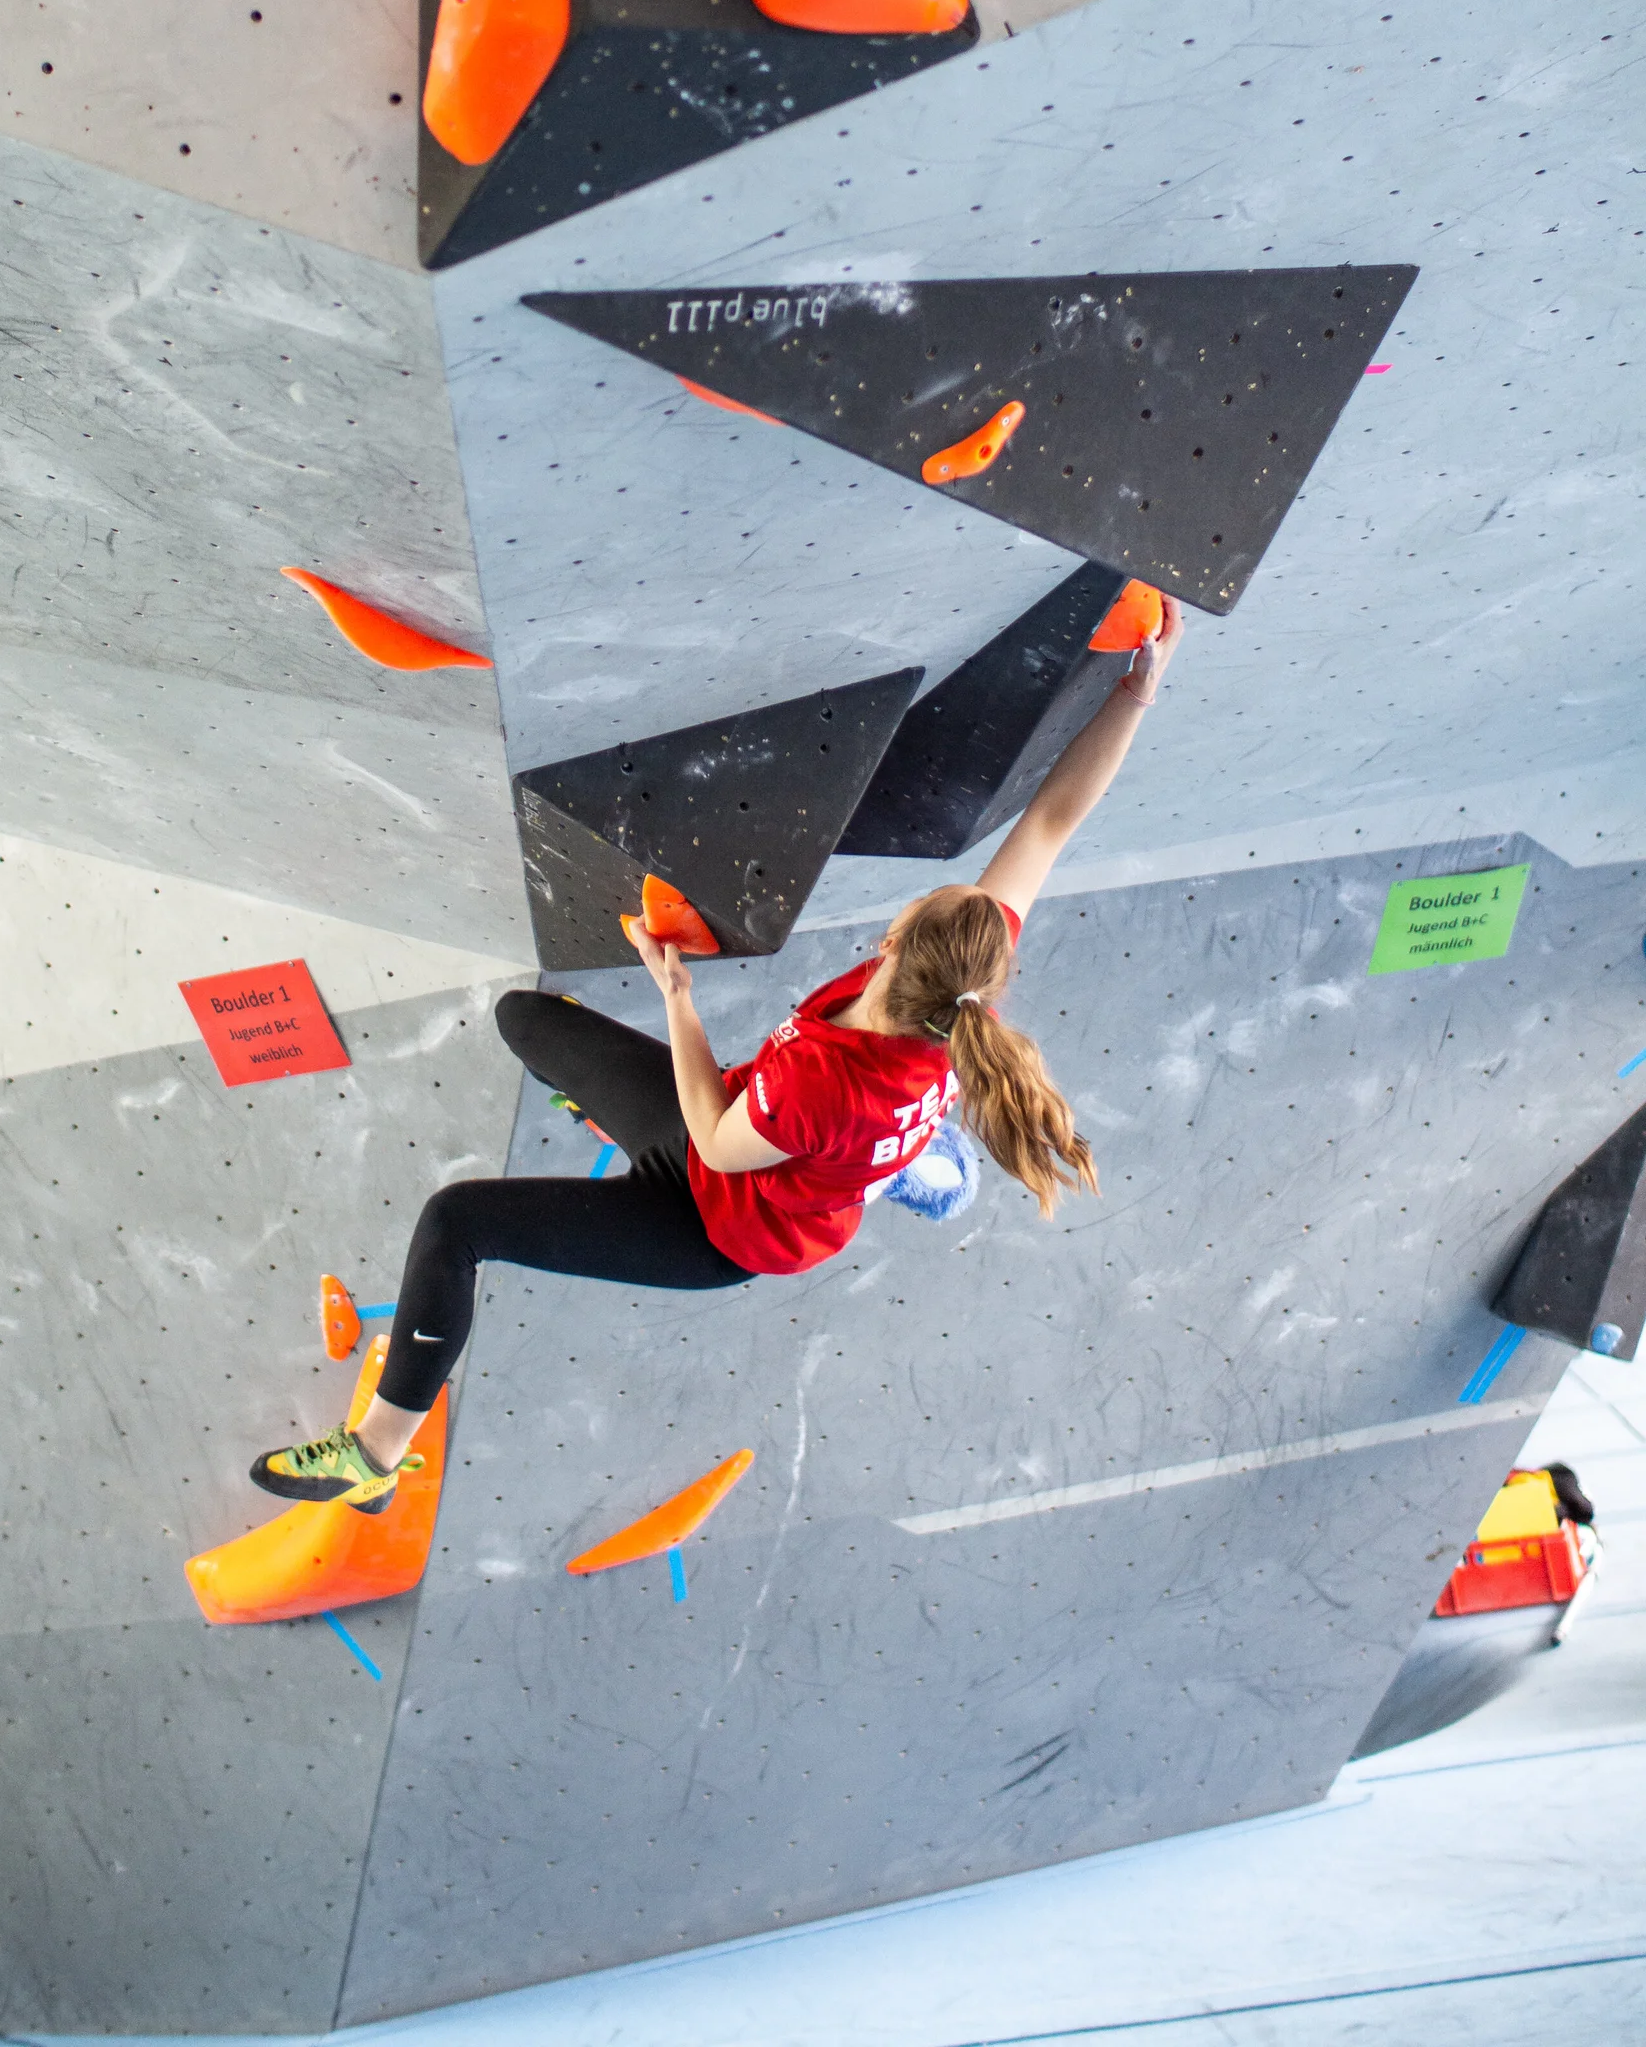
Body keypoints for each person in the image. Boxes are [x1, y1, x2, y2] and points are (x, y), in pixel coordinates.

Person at [250, 597, 1185, 1511]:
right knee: (525, 1023)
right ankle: (725, 1141)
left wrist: (677, 998)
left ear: (896, 946)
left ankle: (375, 1453)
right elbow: (1053, 823)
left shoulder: (831, 1081)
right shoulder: (949, 990)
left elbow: (712, 1132)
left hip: (719, 1224)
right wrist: (1136, 697)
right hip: (748, 1139)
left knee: (458, 1223)